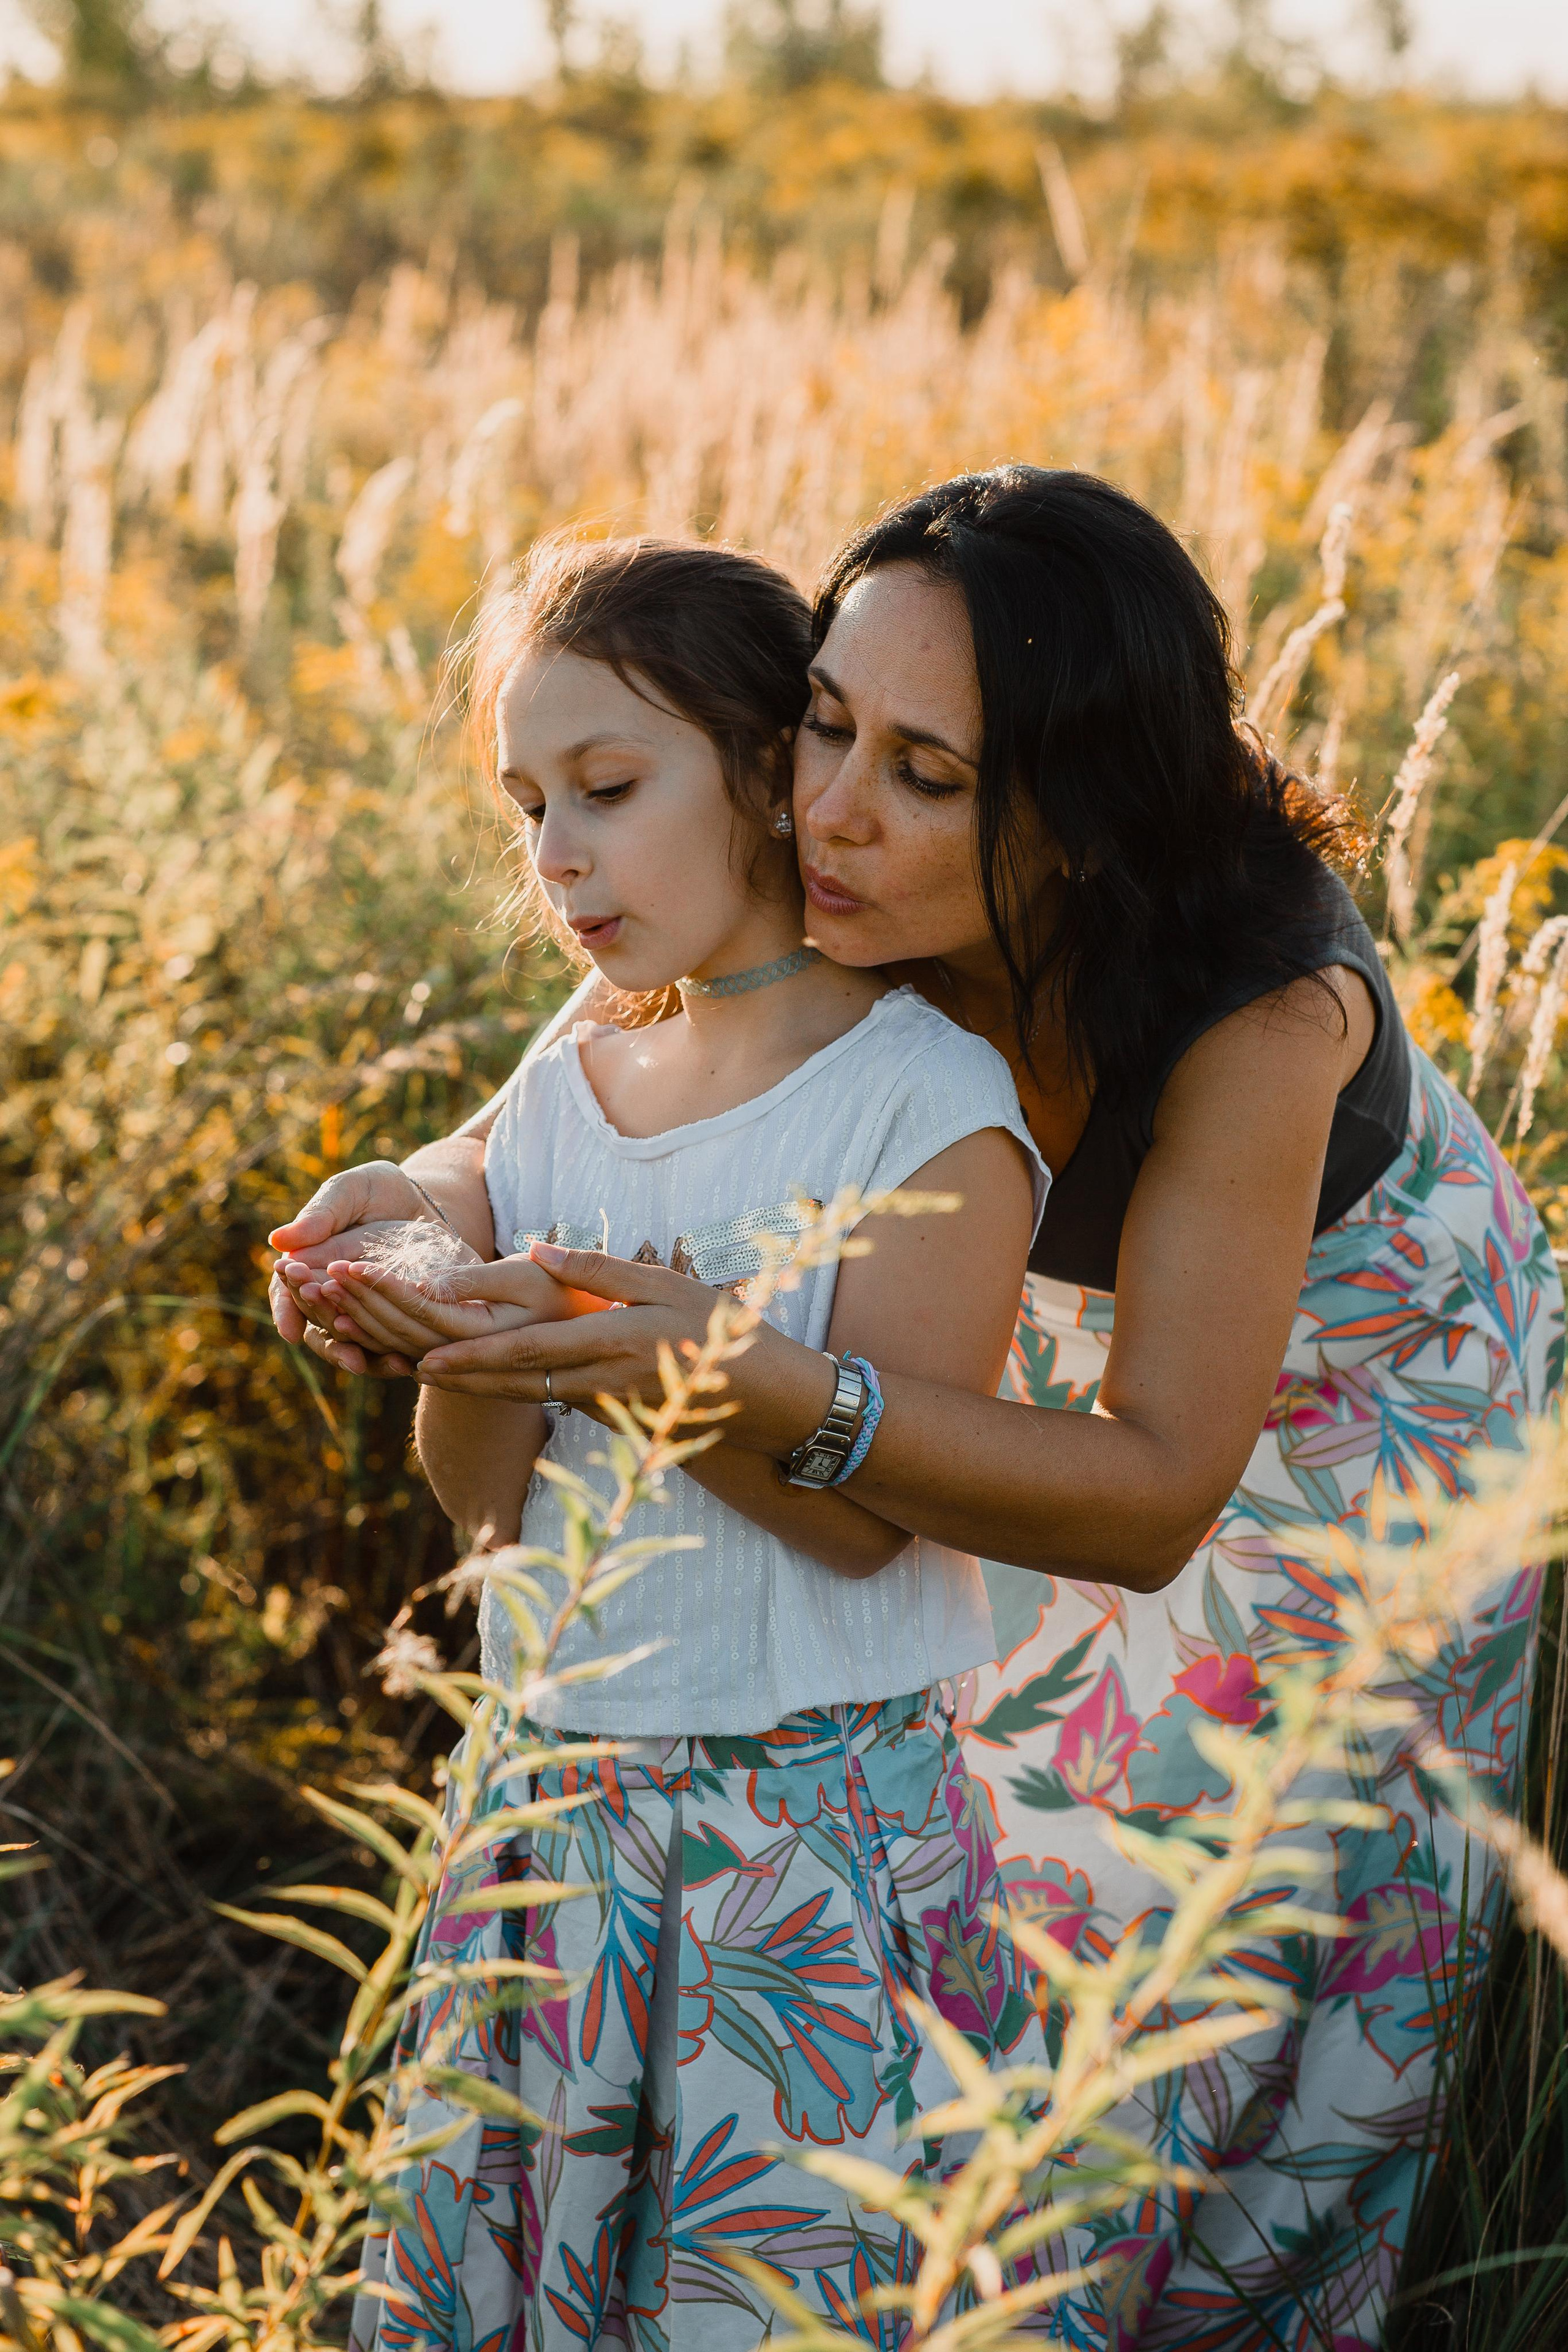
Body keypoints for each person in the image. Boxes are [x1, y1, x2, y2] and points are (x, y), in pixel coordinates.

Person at [276, 470, 1564, 2352]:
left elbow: (1145, 1501)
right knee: (986, 1795)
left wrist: (740, 1376)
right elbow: (600, 1086)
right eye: (821, 724)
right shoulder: (837, 874)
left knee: (1247, 1887)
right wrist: (435, 1197)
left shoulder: (1259, 1014)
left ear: (1077, 809)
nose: (830, 810)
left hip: (1357, 1376)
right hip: (977, 1301)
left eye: (928, 773)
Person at [322, 530, 1052, 2352]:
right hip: (552, 1818)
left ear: (762, 769)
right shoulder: (566, 1087)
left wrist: (635, 1366)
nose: (554, 851)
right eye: (525, 804)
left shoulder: (923, 1100)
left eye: (607, 787)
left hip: (793, 1843)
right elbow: (488, 1527)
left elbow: (868, 1526)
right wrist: (448, 1338)